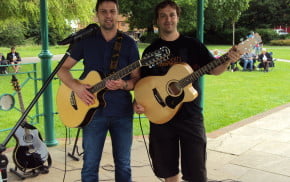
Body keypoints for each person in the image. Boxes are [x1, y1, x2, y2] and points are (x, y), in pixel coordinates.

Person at [133, 1, 241, 182]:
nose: (168, 19)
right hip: (161, 119)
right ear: (157, 20)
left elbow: (214, 70)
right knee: (167, 170)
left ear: (178, 18)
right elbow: (142, 83)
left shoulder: (193, 45)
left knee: (196, 172)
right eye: (163, 15)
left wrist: (227, 60)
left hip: (190, 118)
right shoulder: (151, 51)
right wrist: (138, 103)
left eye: (172, 15)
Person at [57, 0, 140, 181]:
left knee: (124, 165)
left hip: (121, 112)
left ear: (117, 14)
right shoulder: (85, 40)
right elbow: (61, 69)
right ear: (97, 14)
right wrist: (76, 86)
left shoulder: (128, 43)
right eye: (103, 11)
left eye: (112, 11)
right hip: (92, 113)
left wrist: (124, 85)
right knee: (89, 166)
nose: (108, 15)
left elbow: (137, 80)